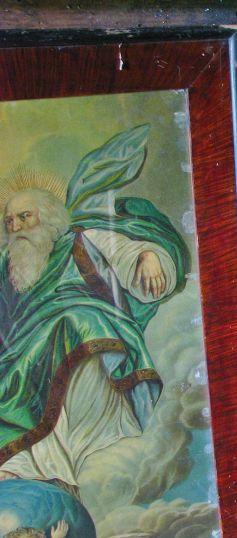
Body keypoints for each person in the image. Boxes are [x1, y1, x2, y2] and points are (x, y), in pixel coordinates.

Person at [0, 165, 188, 497]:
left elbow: (127, 253)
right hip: (23, 354)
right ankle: (29, 464)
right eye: (9, 221)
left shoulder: (83, 239)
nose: (15, 227)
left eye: (24, 217)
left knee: (73, 321)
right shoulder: (9, 267)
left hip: (88, 341)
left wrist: (148, 257)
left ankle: (64, 463)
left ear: (48, 217)